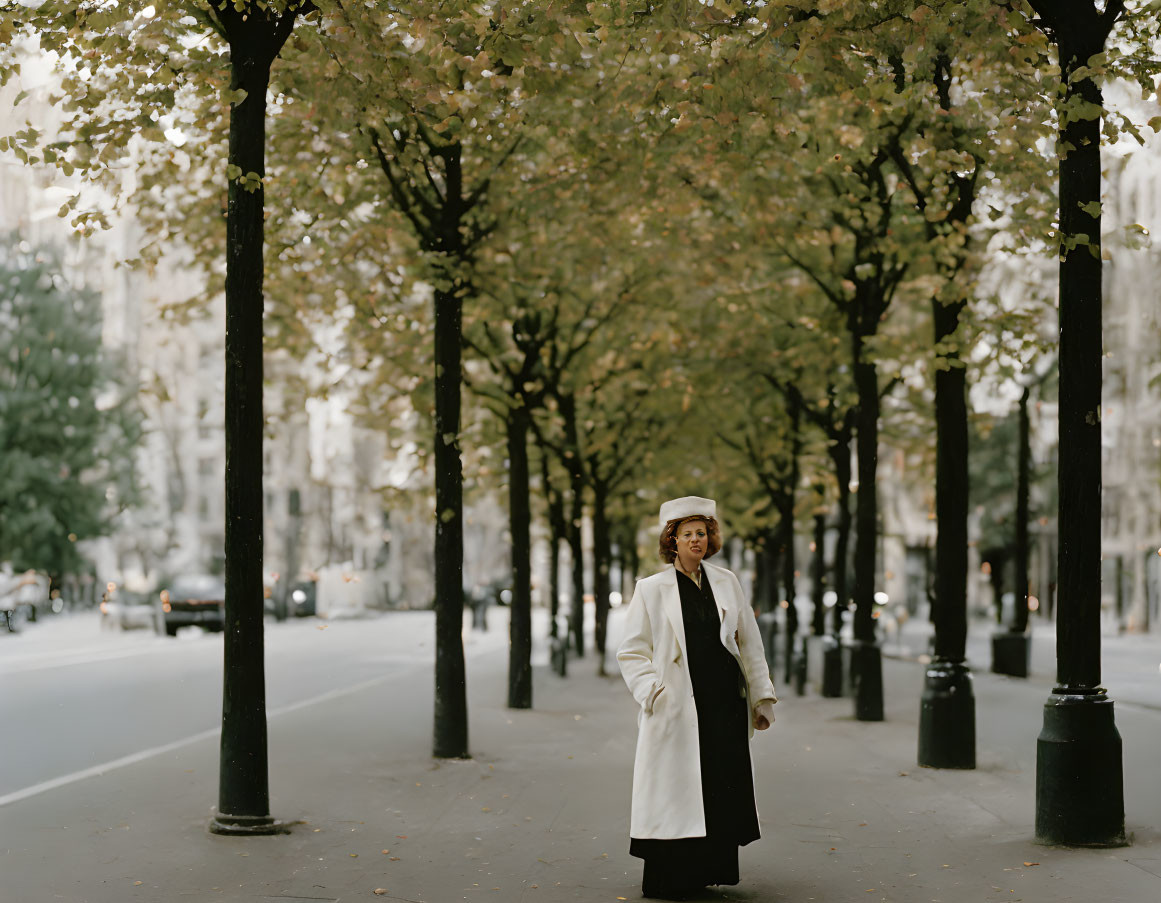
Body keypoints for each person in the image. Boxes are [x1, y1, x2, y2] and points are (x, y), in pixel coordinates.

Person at [617, 496, 777, 900]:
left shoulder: (727, 581)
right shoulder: (651, 590)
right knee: (677, 791)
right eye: (687, 534)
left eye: (702, 533)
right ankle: (672, 878)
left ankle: (709, 871)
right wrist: (654, 692)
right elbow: (631, 651)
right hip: (677, 706)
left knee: (716, 785)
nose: (696, 541)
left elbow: (749, 644)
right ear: (672, 541)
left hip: (723, 704)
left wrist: (761, 699)